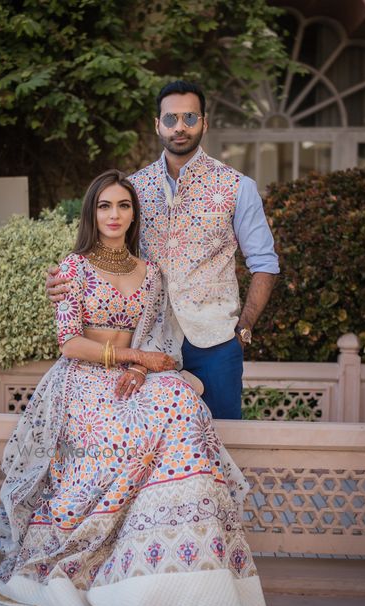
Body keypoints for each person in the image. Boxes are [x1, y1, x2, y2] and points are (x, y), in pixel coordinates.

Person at [0, 170, 268, 606]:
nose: (114, 214)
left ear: (134, 214)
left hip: (130, 376)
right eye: (105, 206)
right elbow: (69, 342)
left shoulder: (151, 274)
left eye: (123, 206)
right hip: (82, 380)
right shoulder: (73, 268)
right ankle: (103, 560)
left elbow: (156, 336)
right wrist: (132, 356)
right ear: (93, 211)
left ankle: (174, 569)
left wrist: (137, 366)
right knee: (143, 430)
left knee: (182, 404)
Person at [46, 81, 279, 420]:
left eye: (189, 117)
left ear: (204, 122)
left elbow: (265, 263)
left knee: (223, 436)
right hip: (144, 342)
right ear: (158, 124)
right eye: (170, 119)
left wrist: (242, 331)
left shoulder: (237, 187)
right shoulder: (134, 188)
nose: (179, 127)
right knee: (152, 446)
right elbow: (105, 255)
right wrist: (63, 281)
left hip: (214, 341)